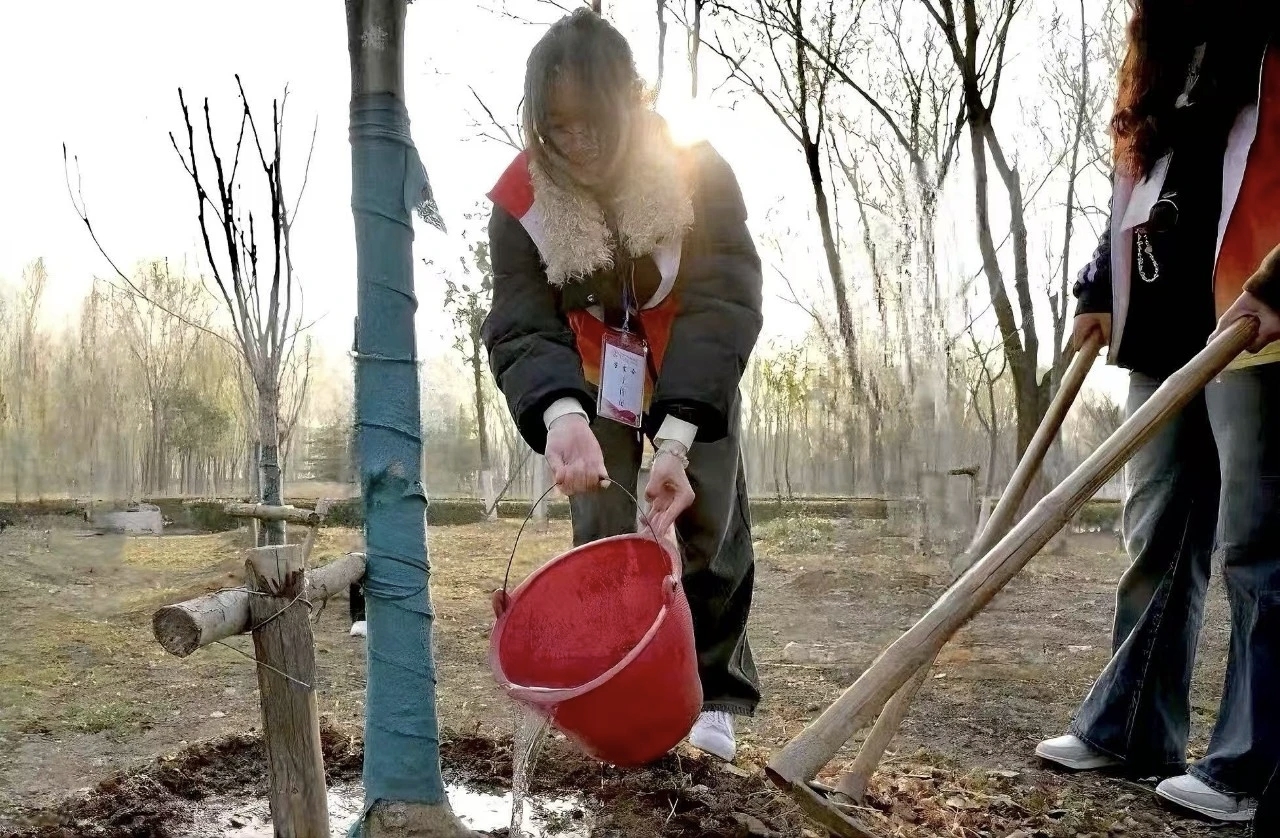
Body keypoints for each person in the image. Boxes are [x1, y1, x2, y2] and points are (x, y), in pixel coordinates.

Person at [481, 9, 763, 763]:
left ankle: (714, 691)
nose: (575, 142)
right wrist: (559, 416)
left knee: (705, 524)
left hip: (691, 368)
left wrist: (676, 437)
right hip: (594, 379)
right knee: (606, 529)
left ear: (631, 105)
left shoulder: (696, 171)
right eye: (556, 126)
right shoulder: (521, 200)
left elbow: (724, 300)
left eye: (592, 124)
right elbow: (520, 321)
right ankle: (621, 684)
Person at [1036, 0, 1280, 823]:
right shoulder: (1162, 43)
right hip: (1165, 320)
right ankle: (1133, 727)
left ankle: (1254, 762)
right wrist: (1099, 288)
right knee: (1157, 534)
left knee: (1259, 544)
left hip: (1256, 312)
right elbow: (1139, 180)